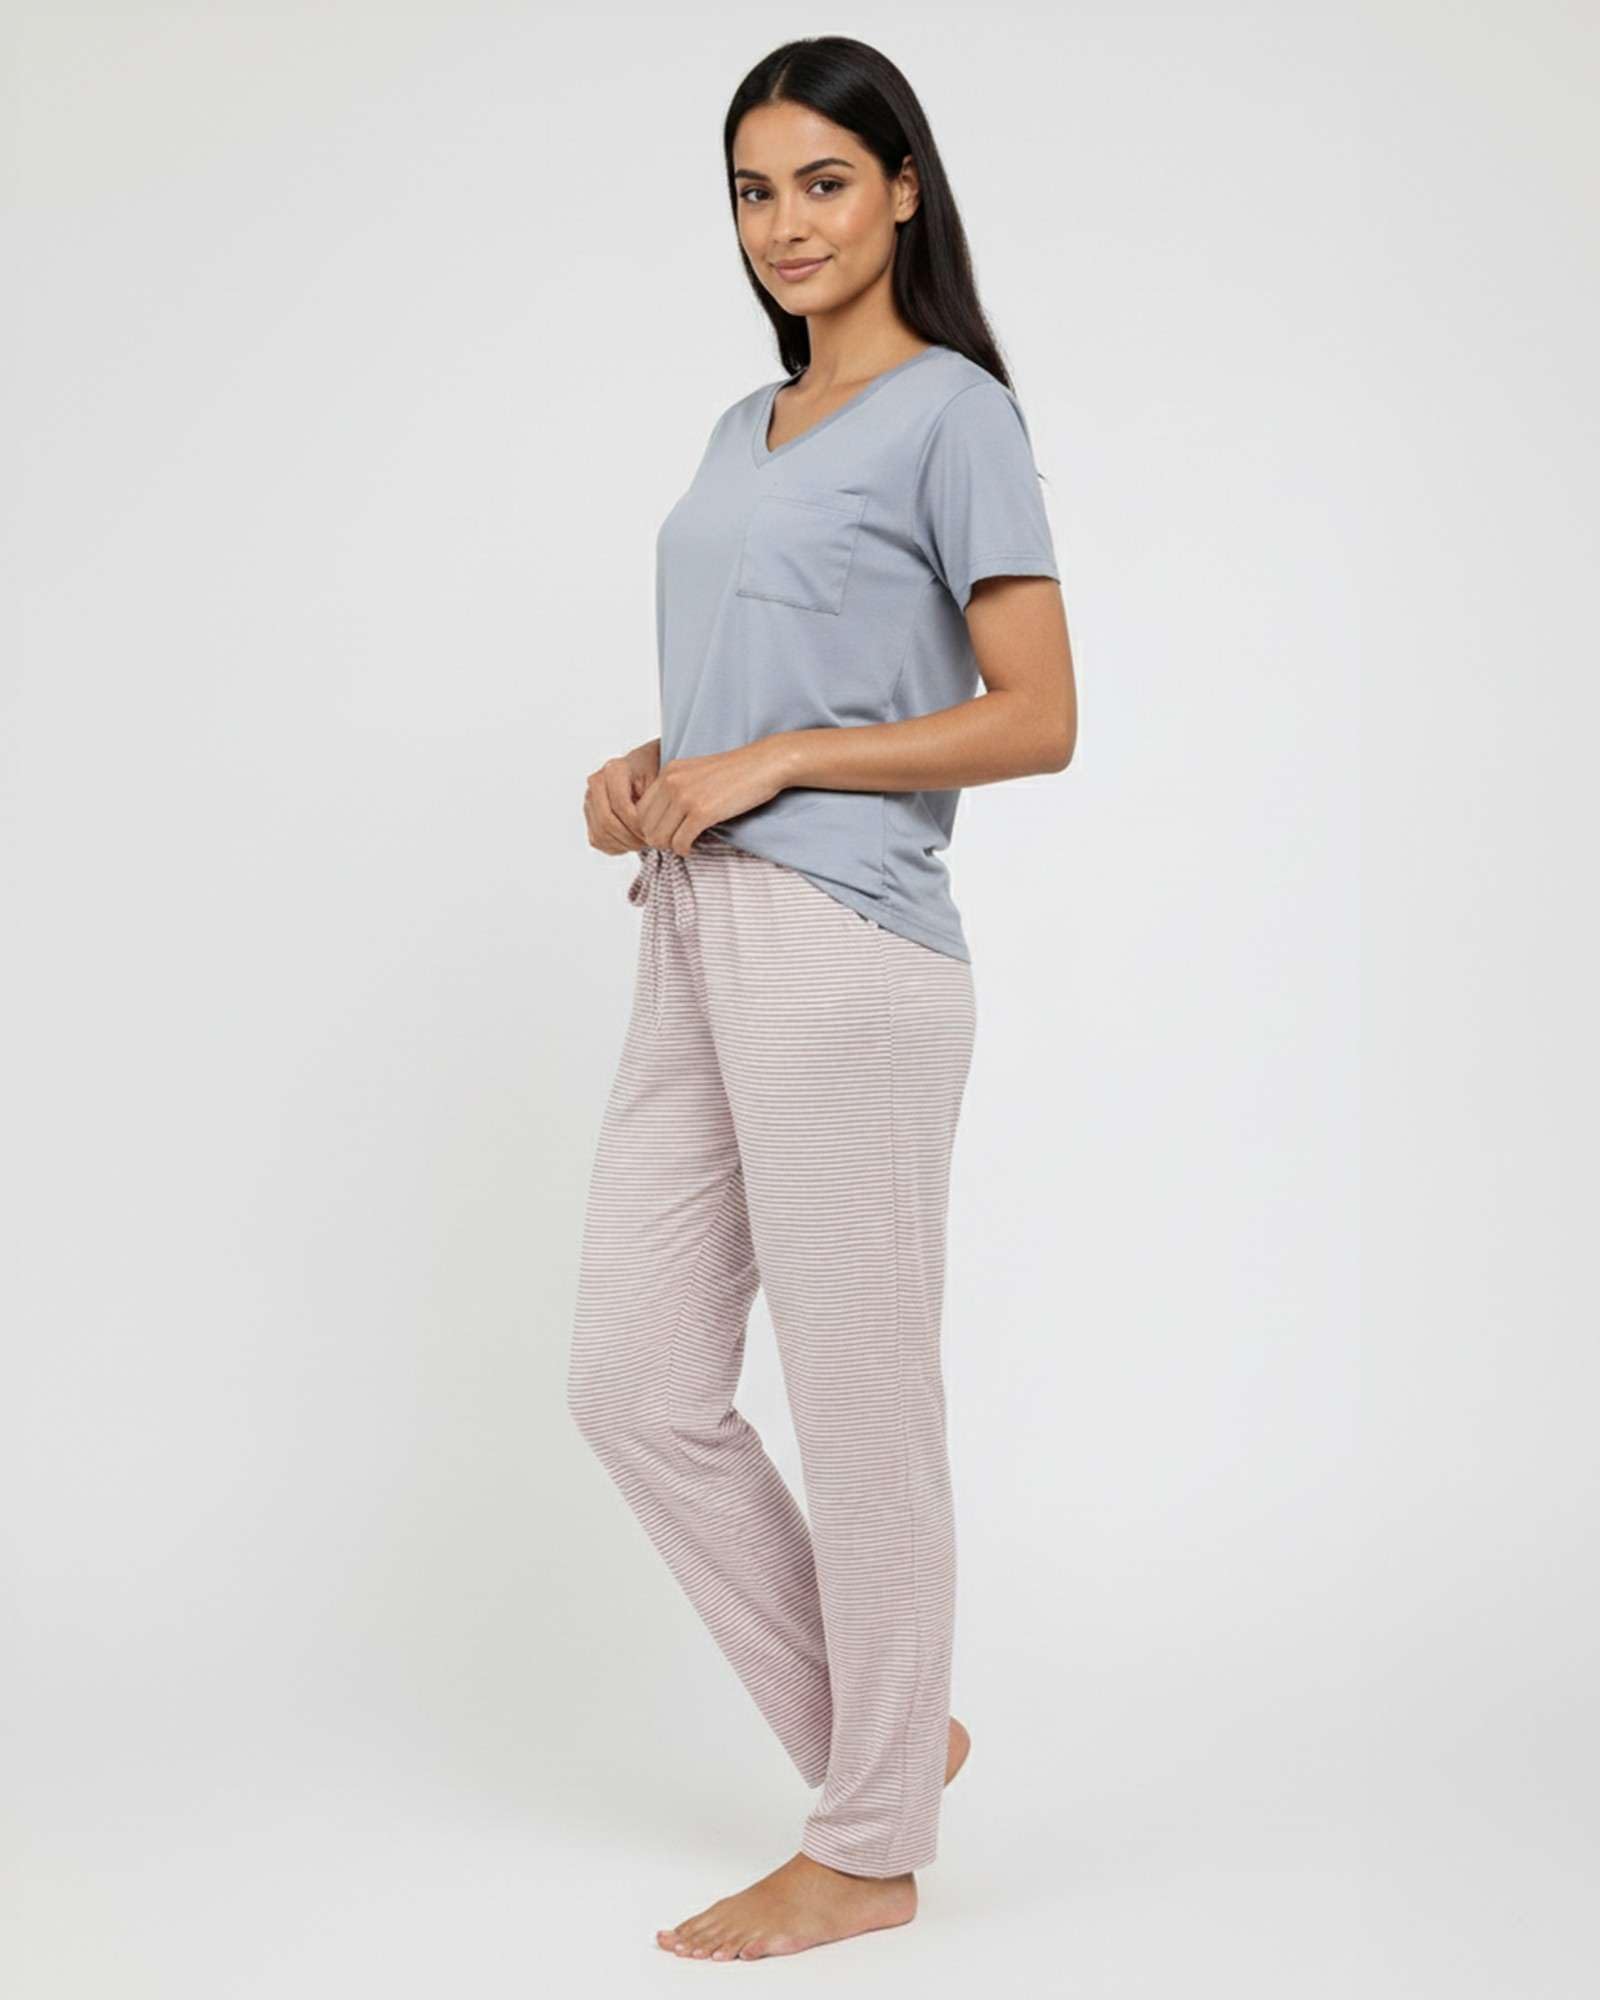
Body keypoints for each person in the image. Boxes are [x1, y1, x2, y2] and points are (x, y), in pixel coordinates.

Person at [567, 33, 1076, 1964]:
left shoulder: (955, 414)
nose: (786, 225)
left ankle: (867, 1848)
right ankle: (889, 1746)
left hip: (845, 949)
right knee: (630, 1384)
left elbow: (1037, 716)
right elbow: (773, 680)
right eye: (754, 192)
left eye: (825, 183)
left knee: (862, 1409)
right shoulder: (744, 426)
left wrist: (776, 762)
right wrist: (660, 763)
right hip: (693, 922)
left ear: (904, 189)